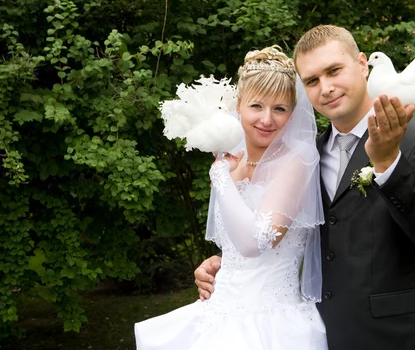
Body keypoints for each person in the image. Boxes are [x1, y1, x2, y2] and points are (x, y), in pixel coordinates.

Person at [195, 26, 415, 350]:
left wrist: (389, 163)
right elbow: (291, 235)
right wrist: (229, 265)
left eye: (334, 71)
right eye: (312, 80)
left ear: (362, 64)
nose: (326, 88)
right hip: (326, 333)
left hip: (402, 337)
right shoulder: (308, 156)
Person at [134, 45, 328, 350]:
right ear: (238, 106)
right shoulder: (232, 161)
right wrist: (217, 262)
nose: (267, 119)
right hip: (217, 316)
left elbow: (256, 242)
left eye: (280, 108)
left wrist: (220, 177)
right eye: (257, 106)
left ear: (292, 113)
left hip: (272, 326)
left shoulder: (296, 162)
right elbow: (235, 251)